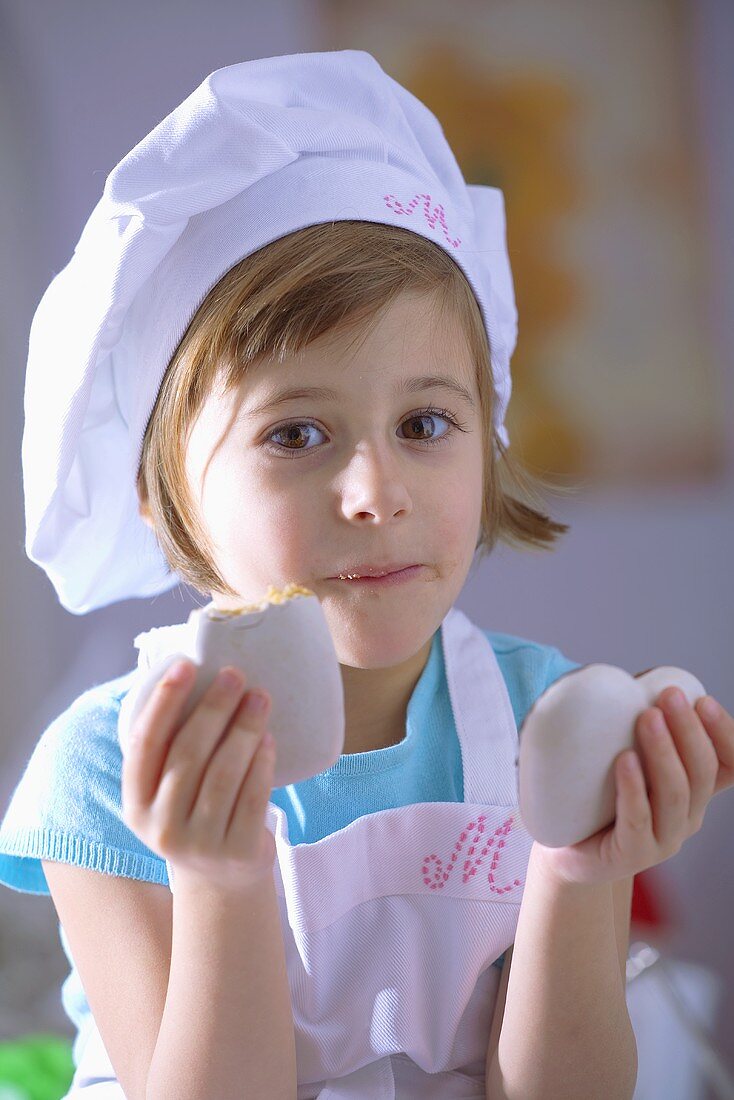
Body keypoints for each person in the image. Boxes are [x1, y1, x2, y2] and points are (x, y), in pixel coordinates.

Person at [1, 49, 730, 1100]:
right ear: (163, 500)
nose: (374, 490)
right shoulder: (107, 773)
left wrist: (584, 869)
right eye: (296, 432)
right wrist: (221, 878)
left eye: (425, 421)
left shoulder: (546, 719)